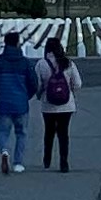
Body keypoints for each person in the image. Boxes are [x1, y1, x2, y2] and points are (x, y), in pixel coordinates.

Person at [0, 32, 37, 173]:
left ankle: (4, 150)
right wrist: (26, 96)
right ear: (18, 43)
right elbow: (33, 83)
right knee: (21, 133)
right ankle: (18, 163)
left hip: (3, 102)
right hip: (21, 103)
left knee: (3, 131)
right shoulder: (25, 62)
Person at [38, 39, 83, 169]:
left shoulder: (42, 64)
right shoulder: (68, 63)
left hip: (48, 104)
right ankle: (64, 161)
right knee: (63, 133)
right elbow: (78, 84)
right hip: (66, 104)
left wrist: (41, 92)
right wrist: (69, 90)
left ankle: (47, 159)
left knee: (49, 132)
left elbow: (37, 84)